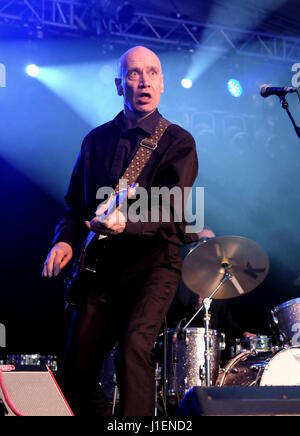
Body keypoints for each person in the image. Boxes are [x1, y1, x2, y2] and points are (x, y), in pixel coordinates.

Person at [42, 46, 198, 416]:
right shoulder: (94, 141)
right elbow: (74, 206)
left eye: (152, 73)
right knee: (75, 372)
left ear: (162, 84)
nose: (144, 80)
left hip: (153, 265)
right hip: (101, 270)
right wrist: (64, 240)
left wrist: (126, 223)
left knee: (134, 349)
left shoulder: (177, 141)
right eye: (133, 73)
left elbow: (172, 208)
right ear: (119, 85)